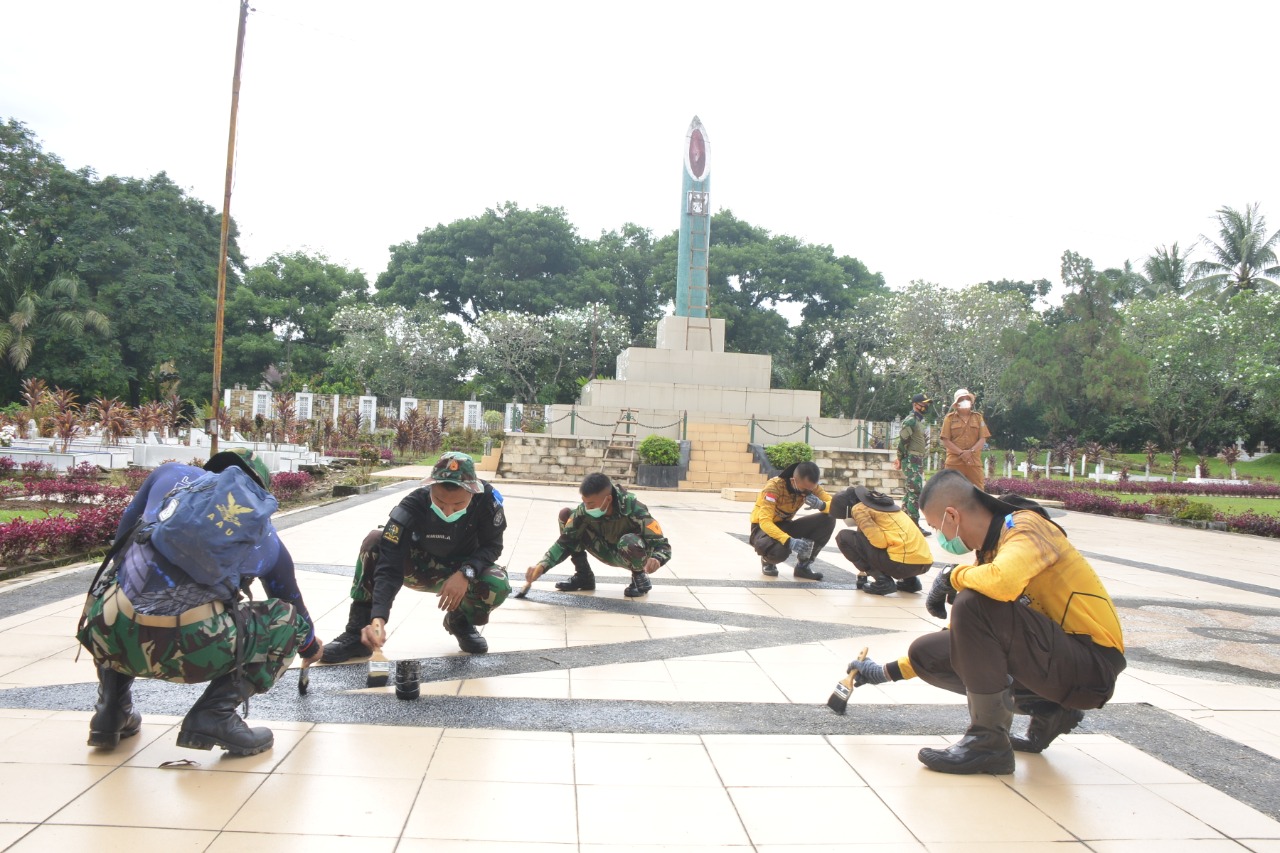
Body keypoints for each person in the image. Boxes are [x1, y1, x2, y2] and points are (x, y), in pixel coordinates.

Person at [847, 469, 1126, 775]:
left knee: (972, 602)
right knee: (927, 653)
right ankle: (1050, 710)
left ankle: (988, 742)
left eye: (935, 527)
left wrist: (950, 576)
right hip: (1058, 663)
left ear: (951, 516)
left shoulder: (1025, 527)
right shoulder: (991, 551)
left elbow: (1002, 583)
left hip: (1091, 667)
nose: (940, 538)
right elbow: (966, 642)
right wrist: (884, 673)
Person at [77, 448, 321, 756]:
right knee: (287, 621)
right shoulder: (266, 537)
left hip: (109, 632)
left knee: (121, 582)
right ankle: (215, 713)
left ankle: (111, 708)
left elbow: (121, 540)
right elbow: (293, 607)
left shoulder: (168, 475)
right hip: (194, 651)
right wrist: (311, 646)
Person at [322, 451, 509, 661]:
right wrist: (378, 618)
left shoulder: (486, 501)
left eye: (457, 505)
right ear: (430, 487)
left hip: (462, 569)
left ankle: (460, 621)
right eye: (439, 501)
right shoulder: (412, 505)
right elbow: (389, 565)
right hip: (418, 568)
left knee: (497, 583)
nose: (447, 511)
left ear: (472, 493)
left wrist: (466, 573)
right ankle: (358, 632)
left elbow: (492, 546)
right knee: (374, 542)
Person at [525, 472, 671, 598]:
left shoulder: (633, 507)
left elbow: (663, 545)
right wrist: (542, 566)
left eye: (592, 504)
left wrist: (657, 559)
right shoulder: (584, 511)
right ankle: (584, 576)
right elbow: (565, 542)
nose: (587, 508)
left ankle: (639, 579)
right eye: (585, 502)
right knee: (567, 516)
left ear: (608, 499)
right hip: (604, 548)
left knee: (628, 540)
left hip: (632, 554)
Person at [830, 485, 934, 595]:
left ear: (847, 508)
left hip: (901, 565)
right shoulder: (880, 504)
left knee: (843, 537)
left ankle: (882, 581)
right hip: (924, 563)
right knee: (899, 545)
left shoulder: (859, 509)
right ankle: (910, 581)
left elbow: (880, 543)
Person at [749, 460, 834, 581]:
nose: (808, 492)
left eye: (811, 489)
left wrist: (822, 505)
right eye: (804, 489)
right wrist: (788, 541)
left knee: (829, 519)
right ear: (794, 481)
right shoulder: (774, 487)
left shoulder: (811, 487)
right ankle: (767, 560)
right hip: (762, 530)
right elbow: (765, 522)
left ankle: (803, 566)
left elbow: (834, 505)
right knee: (780, 551)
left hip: (786, 525)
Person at [940, 388, 991, 488]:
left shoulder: (978, 417)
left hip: (973, 462)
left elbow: (983, 438)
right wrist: (961, 453)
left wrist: (970, 452)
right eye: (962, 399)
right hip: (954, 462)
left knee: (979, 492)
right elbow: (945, 440)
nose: (965, 402)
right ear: (957, 404)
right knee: (951, 491)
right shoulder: (949, 418)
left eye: (967, 399)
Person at [894, 393, 931, 529]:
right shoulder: (910, 420)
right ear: (915, 405)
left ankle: (903, 521)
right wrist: (899, 458)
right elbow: (903, 442)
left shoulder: (918, 421)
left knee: (911, 491)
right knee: (915, 491)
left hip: (916, 460)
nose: (925, 407)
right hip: (911, 460)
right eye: (923, 404)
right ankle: (914, 524)